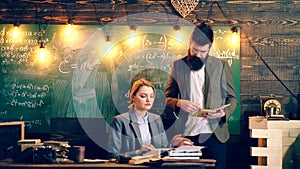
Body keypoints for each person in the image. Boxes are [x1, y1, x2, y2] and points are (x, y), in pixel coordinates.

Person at [165, 22, 238, 169]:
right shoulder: (178, 65)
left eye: (203, 52)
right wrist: (178, 102)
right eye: (194, 50)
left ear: (210, 48)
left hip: (215, 135)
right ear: (190, 43)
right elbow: (167, 99)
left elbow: (233, 98)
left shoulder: (222, 66)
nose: (198, 55)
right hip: (186, 135)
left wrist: (223, 114)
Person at [107, 78, 192, 159]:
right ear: (132, 97)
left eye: (151, 96)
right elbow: (113, 155)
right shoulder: (120, 121)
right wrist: (137, 152)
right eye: (143, 96)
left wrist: (173, 144)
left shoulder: (156, 119)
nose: (148, 100)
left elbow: (162, 149)